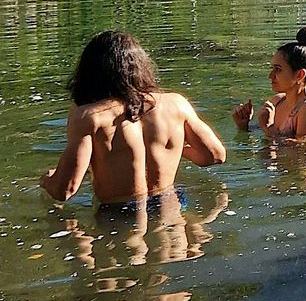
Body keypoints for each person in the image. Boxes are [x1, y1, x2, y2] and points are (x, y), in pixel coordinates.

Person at [40, 30, 227, 204]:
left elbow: (64, 190)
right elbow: (215, 155)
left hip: (117, 216)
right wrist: (175, 149)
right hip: (169, 203)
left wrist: (48, 180)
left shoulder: (90, 117)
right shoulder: (176, 104)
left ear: (90, 73)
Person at [233, 24, 306, 140]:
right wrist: (243, 126)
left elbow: (303, 152)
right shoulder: (277, 101)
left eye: (278, 69)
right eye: (272, 68)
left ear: (299, 75)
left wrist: (268, 127)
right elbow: (267, 136)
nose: (270, 75)